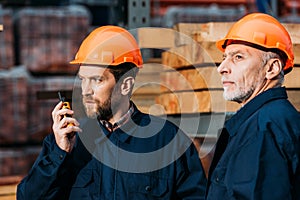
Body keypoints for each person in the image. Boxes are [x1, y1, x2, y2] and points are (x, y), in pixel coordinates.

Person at [17, 25, 207, 199]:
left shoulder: (169, 142)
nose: (85, 90)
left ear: (125, 85)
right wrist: (59, 154)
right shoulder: (66, 143)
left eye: (97, 80)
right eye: (83, 79)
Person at [206, 13, 300, 199]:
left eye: (238, 57)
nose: (222, 67)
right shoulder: (270, 120)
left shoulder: (263, 129)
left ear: (272, 69)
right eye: (224, 57)